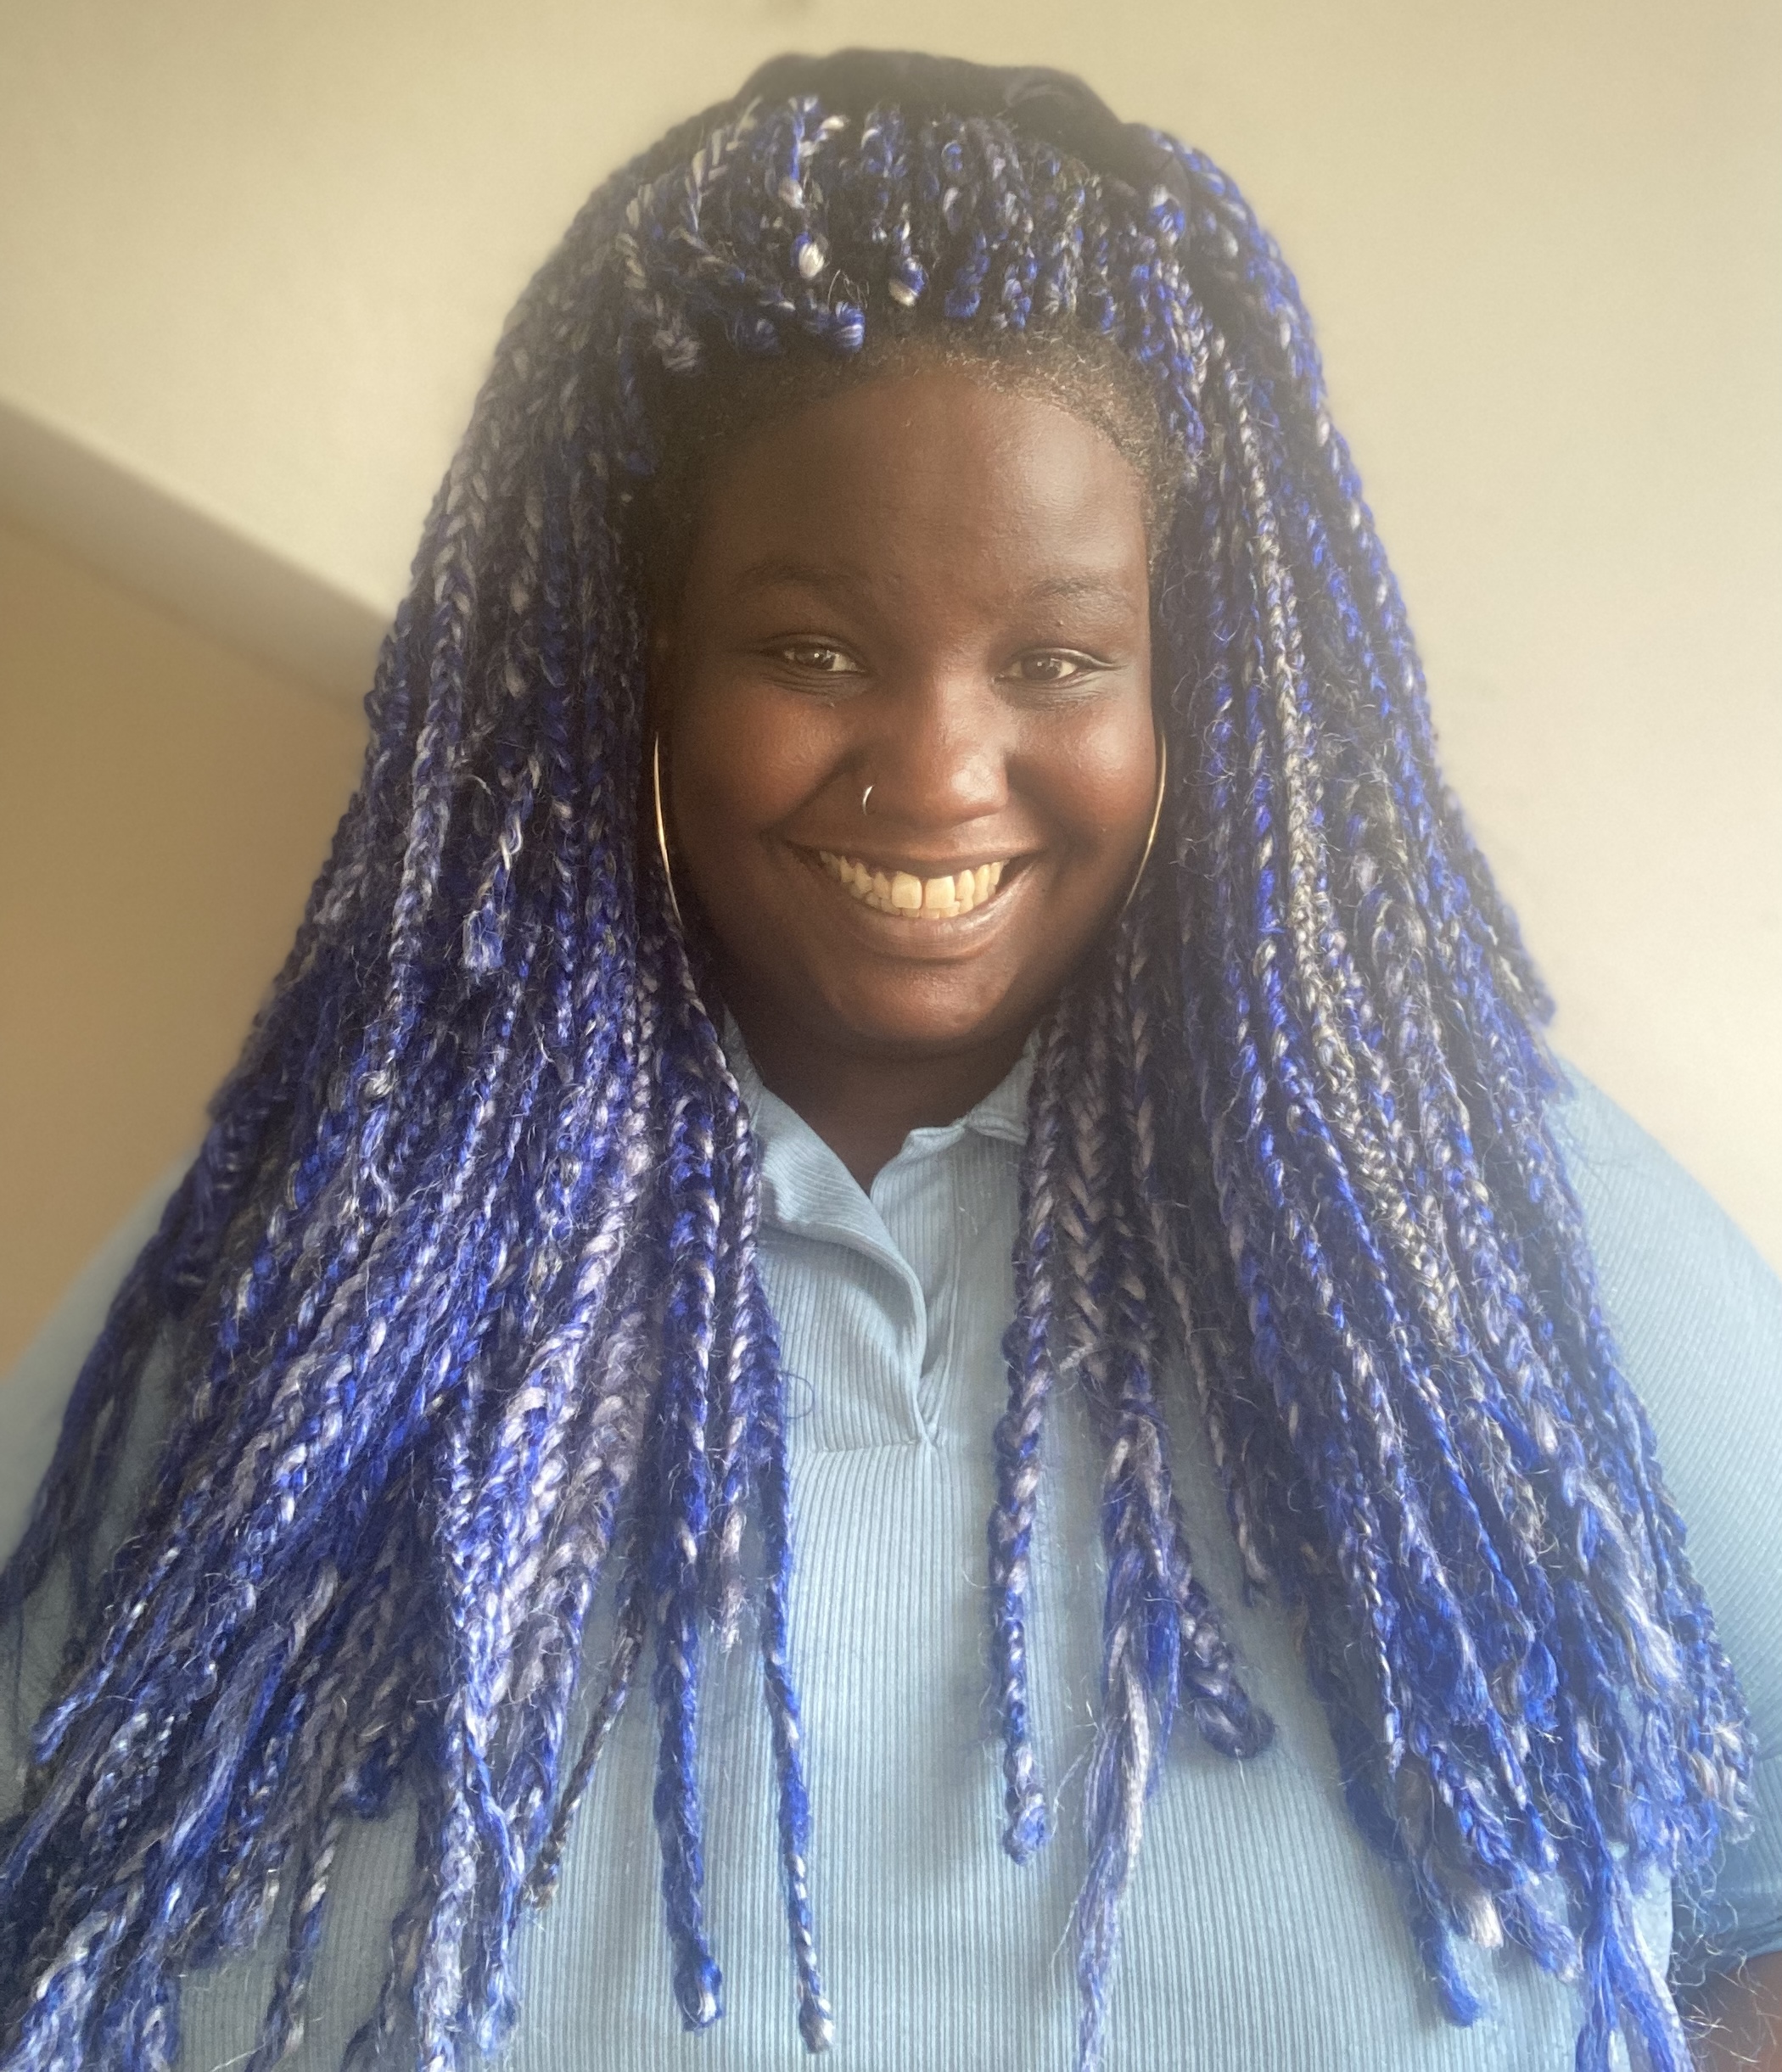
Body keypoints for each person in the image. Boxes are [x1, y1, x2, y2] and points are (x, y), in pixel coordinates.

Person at [1, 47, 1778, 2072]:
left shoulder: (1492, 1232)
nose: (940, 774)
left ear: (1185, 683)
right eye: (815, 649)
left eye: (1058, 659)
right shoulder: (329, 1258)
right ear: (641, 667)